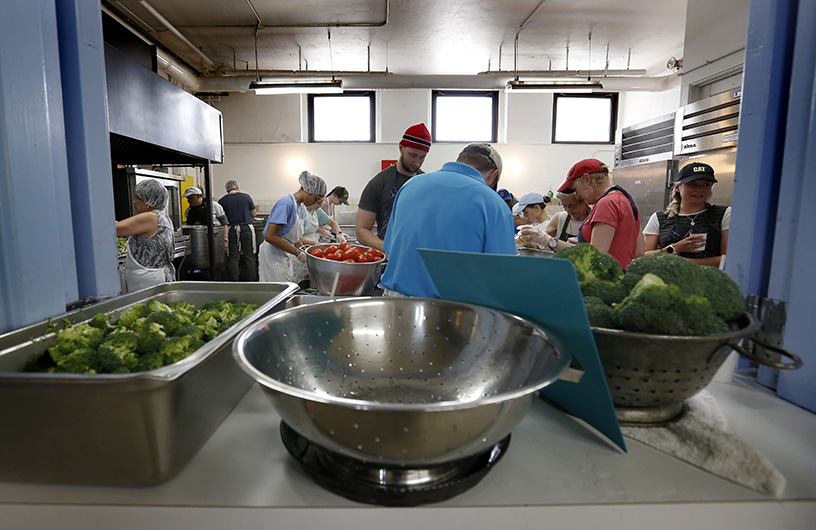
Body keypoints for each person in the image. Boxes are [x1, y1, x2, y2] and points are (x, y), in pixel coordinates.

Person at [380, 143, 515, 298]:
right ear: (493, 175)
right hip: (451, 310)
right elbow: (501, 275)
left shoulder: (409, 186)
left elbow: (391, 249)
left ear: (460, 160)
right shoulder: (494, 203)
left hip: (394, 303)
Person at [554, 158, 644, 269]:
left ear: (587, 179)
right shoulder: (626, 199)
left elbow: (596, 257)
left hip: (608, 278)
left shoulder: (606, 203)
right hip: (623, 275)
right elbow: (639, 252)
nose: (577, 196)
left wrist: (550, 242)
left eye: (576, 189)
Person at [356, 123, 432, 249]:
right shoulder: (378, 183)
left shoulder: (427, 184)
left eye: (422, 157)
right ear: (401, 147)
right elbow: (361, 231)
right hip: (389, 260)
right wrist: (388, 248)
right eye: (412, 155)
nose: (417, 162)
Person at [643, 162, 730, 267]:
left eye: (706, 184)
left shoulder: (723, 214)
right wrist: (675, 248)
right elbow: (644, 256)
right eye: (692, 184)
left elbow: (728, 260)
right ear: (677, 187)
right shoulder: (659, 218)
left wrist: (684, 263)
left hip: (710, 281)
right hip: (668, 280)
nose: (699, 189)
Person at [258, 171, 327, 283]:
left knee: (287, 287)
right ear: (308, 189)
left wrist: (305, 252)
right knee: (278, 291)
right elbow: (270, 236)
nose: (315, 203)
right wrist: (297, 253)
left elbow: (292, 238)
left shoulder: (298, 206)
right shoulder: (286, 203)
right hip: (273, 254)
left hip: (284, 253)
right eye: (315, 199)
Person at [115, 179, 175, 293]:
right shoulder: (162, 217)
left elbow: (117, 229)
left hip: (147, 280)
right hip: (153, 277)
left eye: (138, 197)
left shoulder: (150, 217)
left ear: (150, 201)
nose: (134, 201)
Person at [219, 180, 258, 282]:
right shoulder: (246, 197)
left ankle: (234, 282)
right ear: (237, 188)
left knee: (234, 258)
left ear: (227, 190)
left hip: (232, 230)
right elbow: (254, 214)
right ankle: (251, 282)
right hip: (246, 229)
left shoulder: (222, 201)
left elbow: (222, 219)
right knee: (249, 257)